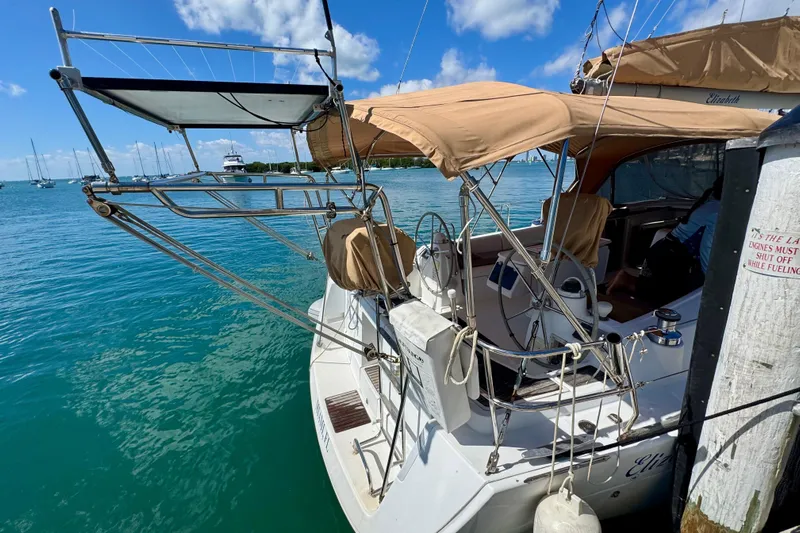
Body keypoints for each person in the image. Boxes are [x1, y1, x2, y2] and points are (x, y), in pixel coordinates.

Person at [608, 177, 722, 306]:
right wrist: (711, 280)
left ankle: (625, 280)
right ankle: (624, 280)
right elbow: (707, 249)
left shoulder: (712, 205)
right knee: (665, 302)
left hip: (666, 251)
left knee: (653, 295)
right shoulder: (718, 212)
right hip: (672, 258)